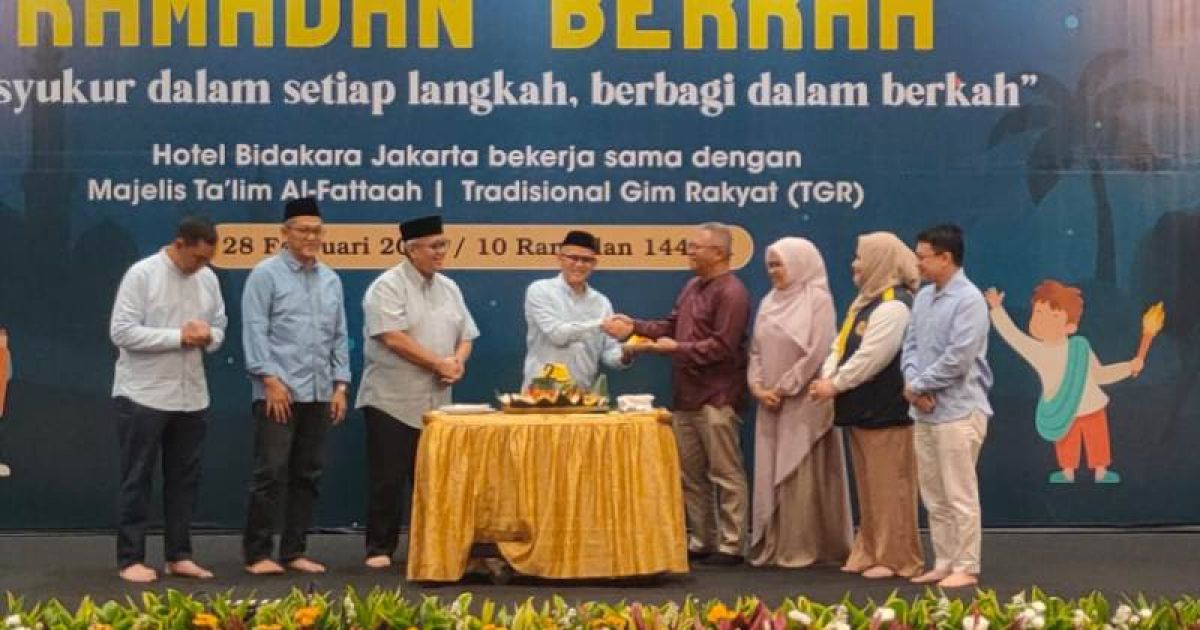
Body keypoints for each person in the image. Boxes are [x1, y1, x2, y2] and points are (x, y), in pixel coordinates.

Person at [604, 222, 751, 565]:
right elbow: (670, 325)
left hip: (717, 397)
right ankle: (701, 539)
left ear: (718, 253)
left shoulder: (733, 292)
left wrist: (675, 349)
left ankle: (732, 545)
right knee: (691, 475)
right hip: (685, 396)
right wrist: (635, 327)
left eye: (695, 247)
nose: (689, 251)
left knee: (726, 473)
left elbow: (723, 347)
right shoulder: (691, 286)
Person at [109, 216, 227, 583]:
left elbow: (220, 328)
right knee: (137, 478)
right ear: (179, 245)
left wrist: (209, 336)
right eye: (197, 258)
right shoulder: (142, 275)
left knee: (184, 480)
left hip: (192, 396)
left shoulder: (208, 279)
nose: (201, 266)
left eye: (208, 260)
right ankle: (130, 558)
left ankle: (179, 555)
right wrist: (178, 337)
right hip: (143, 395)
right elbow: (122, 332)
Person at [357, 215, 479, 569]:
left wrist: (457, 361)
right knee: (389, 479)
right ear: (411, 250)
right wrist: (437, 364)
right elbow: (392, 337)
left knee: (433, 480)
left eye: (444, 245)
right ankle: (379, 549)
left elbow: (467, 334)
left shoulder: (449, 287)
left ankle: (429, 546)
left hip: (436, 403)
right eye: (434, 246)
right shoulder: (386, 286)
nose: (441, 252)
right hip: (391, 399)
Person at [241, 197, 350, 575]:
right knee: (270, 474)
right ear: (284, 233)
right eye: (303, 230)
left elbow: (340, 335)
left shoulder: (330, 279)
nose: (311, 237)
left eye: (317, 231)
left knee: (308, 475)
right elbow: (255, 329)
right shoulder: (265, 275)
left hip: (320, 391)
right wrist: (268, 379)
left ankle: (294, 551)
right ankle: (258, 554)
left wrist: (340, 385)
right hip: (279, 392)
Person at [809, 232, 924, 579]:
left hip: (888, 411)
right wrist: (828, 374)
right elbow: (840, 346)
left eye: (861, 257)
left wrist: (835, 384)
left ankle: (896, 558)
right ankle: (870, 550)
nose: (855, 265)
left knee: (890, 487)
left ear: (881, 261)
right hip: (862, 409)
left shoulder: (894, 306)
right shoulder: (866, 302)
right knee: (870, 487)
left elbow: (872, 358)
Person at [746, 237, 852, 567]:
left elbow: (818, 351)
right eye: (770, 265)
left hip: (805, 401)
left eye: (779, 264)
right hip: (770, 404)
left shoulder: (818, 300)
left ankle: (805, 544)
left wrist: (784, 387)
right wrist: (758, 387)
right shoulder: (768, 301)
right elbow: (756, 350)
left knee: (800, 470)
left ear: (799, 263)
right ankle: (775, 542)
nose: (773, 271)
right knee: (771, 468)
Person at [901, 224, 993, 589]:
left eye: (923, 257)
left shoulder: (970, 300)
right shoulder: (923, 297)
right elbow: (910, 346)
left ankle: (967, 565)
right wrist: (912, 386)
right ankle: (943, 561)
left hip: (959, 410)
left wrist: (919, 386)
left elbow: (959, 357)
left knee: (959, 493)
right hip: (923, 411)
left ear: (945, 258)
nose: (918, 264)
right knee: (933, 494)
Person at [985, 280, 1144, 484]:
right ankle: (1067, 472)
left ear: (1071, 326)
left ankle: (1101, 471)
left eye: (1054, 316)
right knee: (1066, 440)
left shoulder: (1080, 347)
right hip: (1061, 410)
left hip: (1092, 406)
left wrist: (1128, 367)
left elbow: (1100, 375)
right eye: (1039, 313)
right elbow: (1013, 335)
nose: (1043, 320)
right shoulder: (1036, 350)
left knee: (1097, 439)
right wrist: (997, 309)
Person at [523, 230, 627, 389]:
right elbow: (557, 335)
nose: (579, 264)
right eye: (573, 258)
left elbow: (609, 351)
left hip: (583, 394)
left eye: (586, 260)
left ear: (594, 264)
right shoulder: (540, 290)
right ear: (559, 258)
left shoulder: (602, 302)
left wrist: (628, 354)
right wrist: (600, 324)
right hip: (540, 393)